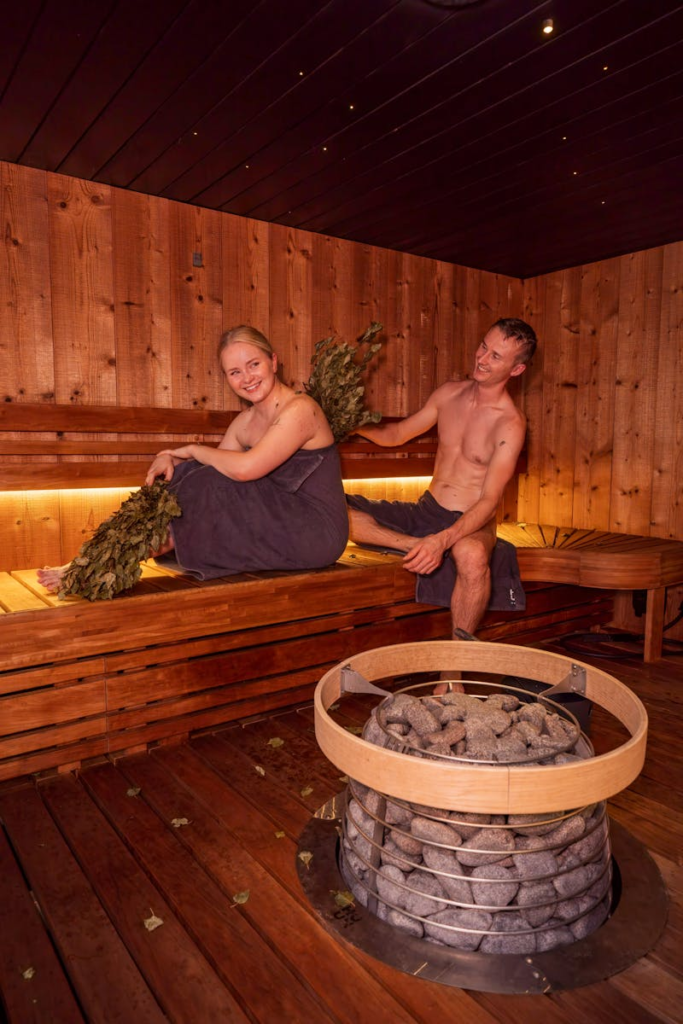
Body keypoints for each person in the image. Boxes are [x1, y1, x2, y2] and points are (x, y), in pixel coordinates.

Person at [38, 325, 349, 590]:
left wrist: (189, 450)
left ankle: (98, 566)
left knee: (207, 483)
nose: (247, 378)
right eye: (235, 372)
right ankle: (96, 558)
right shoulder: (244, 423)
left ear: (273, 361)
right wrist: (173, 459)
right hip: (278, 521)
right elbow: (209, 468)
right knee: (190, 476)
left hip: (315, 532)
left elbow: (244, 470)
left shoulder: (301, 410)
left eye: (254, 364)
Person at [346, 317, 537, 645]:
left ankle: (453, 670)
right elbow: (396, 435)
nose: (481, 358)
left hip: (471, 521)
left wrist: (443, 540)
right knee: (334, 509)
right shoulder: (449, 394)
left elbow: (489, 500)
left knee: (472, 554)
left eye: (495, 356)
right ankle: (413, 546)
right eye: (483, 346)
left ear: (516, 370)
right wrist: (347, 424)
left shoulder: (510, 424)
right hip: (426, 511)